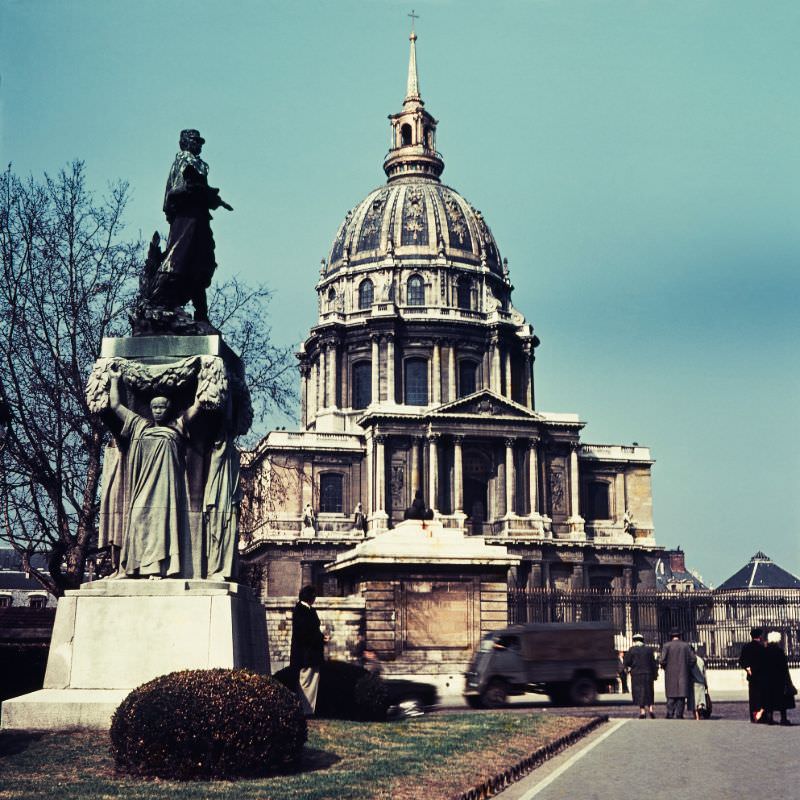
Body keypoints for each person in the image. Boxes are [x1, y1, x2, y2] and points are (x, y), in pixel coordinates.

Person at [107, 364, 197, 578]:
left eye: (163, 407)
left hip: (166, 492)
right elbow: (115, 404)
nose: (159, 411)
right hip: (142, 487)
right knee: (137, 520)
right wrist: (114, 379)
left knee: (161, 527)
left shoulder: (177, 427)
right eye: (155, 407)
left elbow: (198, 406)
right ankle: (133, 567)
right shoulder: (139, 425)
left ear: (169, 409)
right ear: (150, 408)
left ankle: (158, 569)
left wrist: (205, 378)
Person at [153, 129, 233, 322]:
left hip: (198, 219)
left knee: (201, 262)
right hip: (185, 220)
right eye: (195, 141)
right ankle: (164, 301)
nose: (199, 145)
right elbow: (175, 192)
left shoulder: (198, 164)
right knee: (180, 258)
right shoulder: (183, 161)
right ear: (185, 143)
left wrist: (212, 198)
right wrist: (197, 191)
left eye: (200, 142)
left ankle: (201, 313)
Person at [290, 585, 327, 716]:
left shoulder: (309, 610)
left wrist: (321, 637)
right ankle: (305, 710)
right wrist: (320, 638)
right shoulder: (300, 610)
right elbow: (304, 634)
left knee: (311, 682)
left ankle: (308, 710)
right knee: (305, 682)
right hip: (305, 655)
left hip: (311, 654)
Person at [659, 628, 696, 719]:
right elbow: (693, 659)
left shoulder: (666, 646)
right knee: (681, 695)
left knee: (671, 695)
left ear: (671, 636)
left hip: (670, 674)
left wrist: (665, 668)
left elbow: (662, 660)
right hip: (683, 673)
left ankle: (670, 713)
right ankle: (679, 714)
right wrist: (687, 667)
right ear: (680, 635)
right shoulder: (686, 646)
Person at [762, 631, 796, 726]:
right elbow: (784, 668)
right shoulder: (780, 652)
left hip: (768, 680)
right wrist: (788, 681)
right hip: (779, 680)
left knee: (770, 699)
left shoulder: (765, 651)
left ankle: (770, 718)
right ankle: (783, 719)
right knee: (782, 700)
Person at [623, 633, 658, 719]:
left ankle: (642, 711)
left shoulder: (632, 650)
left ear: (634, 641)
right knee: (649, 691)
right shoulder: (649, 650)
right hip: (648, 674)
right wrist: (655, 674)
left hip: (637, 674)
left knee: (639, 693)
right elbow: (653, 663)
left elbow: (626, 662)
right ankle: (650, 709)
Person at [739, 627, 767, 722]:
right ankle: (760, 716)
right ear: (759, 636)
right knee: (761, 696)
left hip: (751, 676)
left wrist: (747, 668)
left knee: (752, 697)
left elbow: (741, 660)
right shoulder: (762, 647)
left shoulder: (746, 647)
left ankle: (753, 716)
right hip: (761, 676)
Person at [689, 647, 708, 720]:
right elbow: (704, 673)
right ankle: (700, 707)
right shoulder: (700, 660)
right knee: (700, 700)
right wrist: (706, 684)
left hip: (693, 682)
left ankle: (697, 716)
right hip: (701, 682)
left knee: (694, 702)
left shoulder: (690, 660)